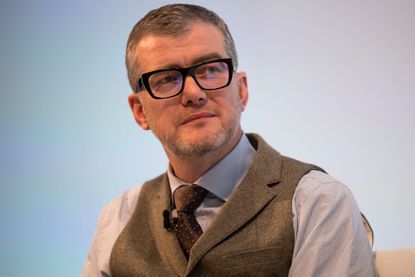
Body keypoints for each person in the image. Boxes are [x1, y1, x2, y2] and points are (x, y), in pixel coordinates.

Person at [82, 4, 376, 276]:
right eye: (167, 79)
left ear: (242, 90)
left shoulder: (317, 202)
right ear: (139, 111)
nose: (193, 93)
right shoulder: (116, 219)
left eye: (209, 70)